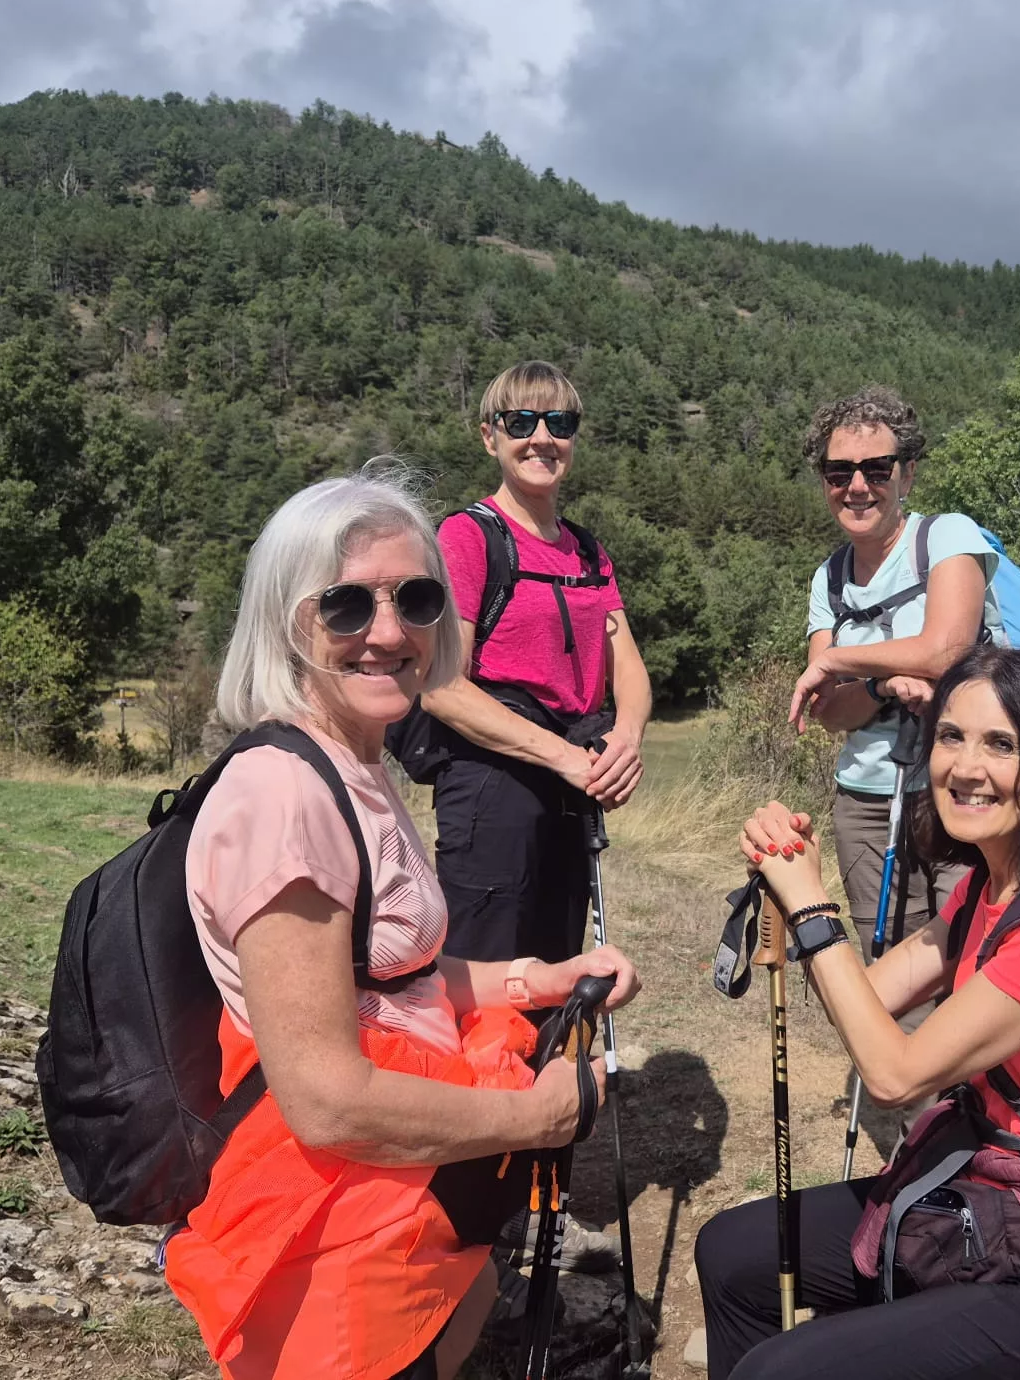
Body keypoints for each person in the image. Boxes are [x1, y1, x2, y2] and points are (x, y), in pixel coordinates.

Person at [162, 465, 642, 1380]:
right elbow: (327, 1098)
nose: (387, 632)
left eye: (416, 598)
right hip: (335, 1230)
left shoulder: (352, 759)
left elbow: (387, 972)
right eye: (345, 606)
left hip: (392, 1195)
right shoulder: (283, 797)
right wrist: (533, 1114)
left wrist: (530, 979)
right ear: (286, 620)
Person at [697, 645, 1020, 1380]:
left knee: (782, 1372)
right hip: (992, 1196)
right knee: (733, 1253)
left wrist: (813, 907)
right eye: (950, 736)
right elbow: (864, 1002)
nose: (966, 768)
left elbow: (894, 1072)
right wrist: (794, 892)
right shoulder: (992, 884)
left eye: (1001, 744)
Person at [412, 360, 654, 967]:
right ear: (490, 436)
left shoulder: (588, 551)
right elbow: (441, 685)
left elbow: (626, 663)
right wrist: (567, 759)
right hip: (492, 785)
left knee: (556, 959)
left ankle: (551, 1065)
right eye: (521, 420)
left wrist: (624, 740)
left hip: (571, 785)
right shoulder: (468, 539)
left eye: (559, 421)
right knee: (487, 968)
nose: (541, 436)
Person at [788, 386, 1003, 965]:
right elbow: (830, 713)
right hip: (865, 802)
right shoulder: (828, 579)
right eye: (838, 473)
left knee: (972, 959)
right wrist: (883, 687)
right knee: (890, 962)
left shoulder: (947, 537)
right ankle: (898, 1057)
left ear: (906, 476)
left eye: (876, 469)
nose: (857, 486)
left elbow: (946, 650)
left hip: (964, 788)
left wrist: (837, 661)